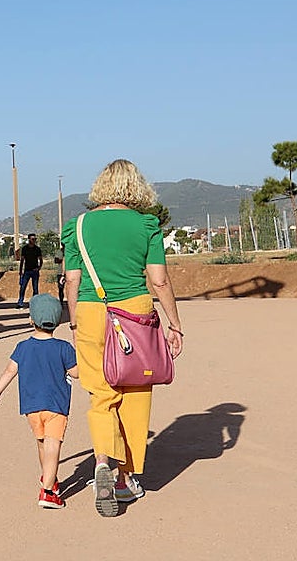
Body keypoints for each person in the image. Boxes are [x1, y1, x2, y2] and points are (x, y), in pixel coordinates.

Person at [61, 159, 183, 517]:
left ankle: (101, 460)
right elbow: (159, 280)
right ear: (137, 186)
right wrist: (175, 325)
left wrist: (74, 323)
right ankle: (124, 479)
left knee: (101, 394)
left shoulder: (77, 226)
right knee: (135, 392)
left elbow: (72, 280)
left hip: (90, 312)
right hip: (134, 313)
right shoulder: (146, 225)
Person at [0, 294, 79, 509]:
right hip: (56, 406)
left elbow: (9, 371)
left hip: (31, 407)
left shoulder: (23, 347)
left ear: (31, 320)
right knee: (53, 445)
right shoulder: (64, 348)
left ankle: (49, 478)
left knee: (42, 443)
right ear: (58, 321)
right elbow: (76, 373)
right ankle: (47, 492)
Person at [16, 233, 43, 307]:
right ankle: (20, 302)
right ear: (29, 239)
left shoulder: (37, 249)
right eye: (33, 239)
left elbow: (41, 259)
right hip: (27, 271)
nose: (34, 240)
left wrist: (39, 268)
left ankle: (35, 303)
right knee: (23, 287)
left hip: (35, 271)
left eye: (35, 239)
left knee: (35, 288)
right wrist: (20, 271)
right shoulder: (25, 249)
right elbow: (22, 260)